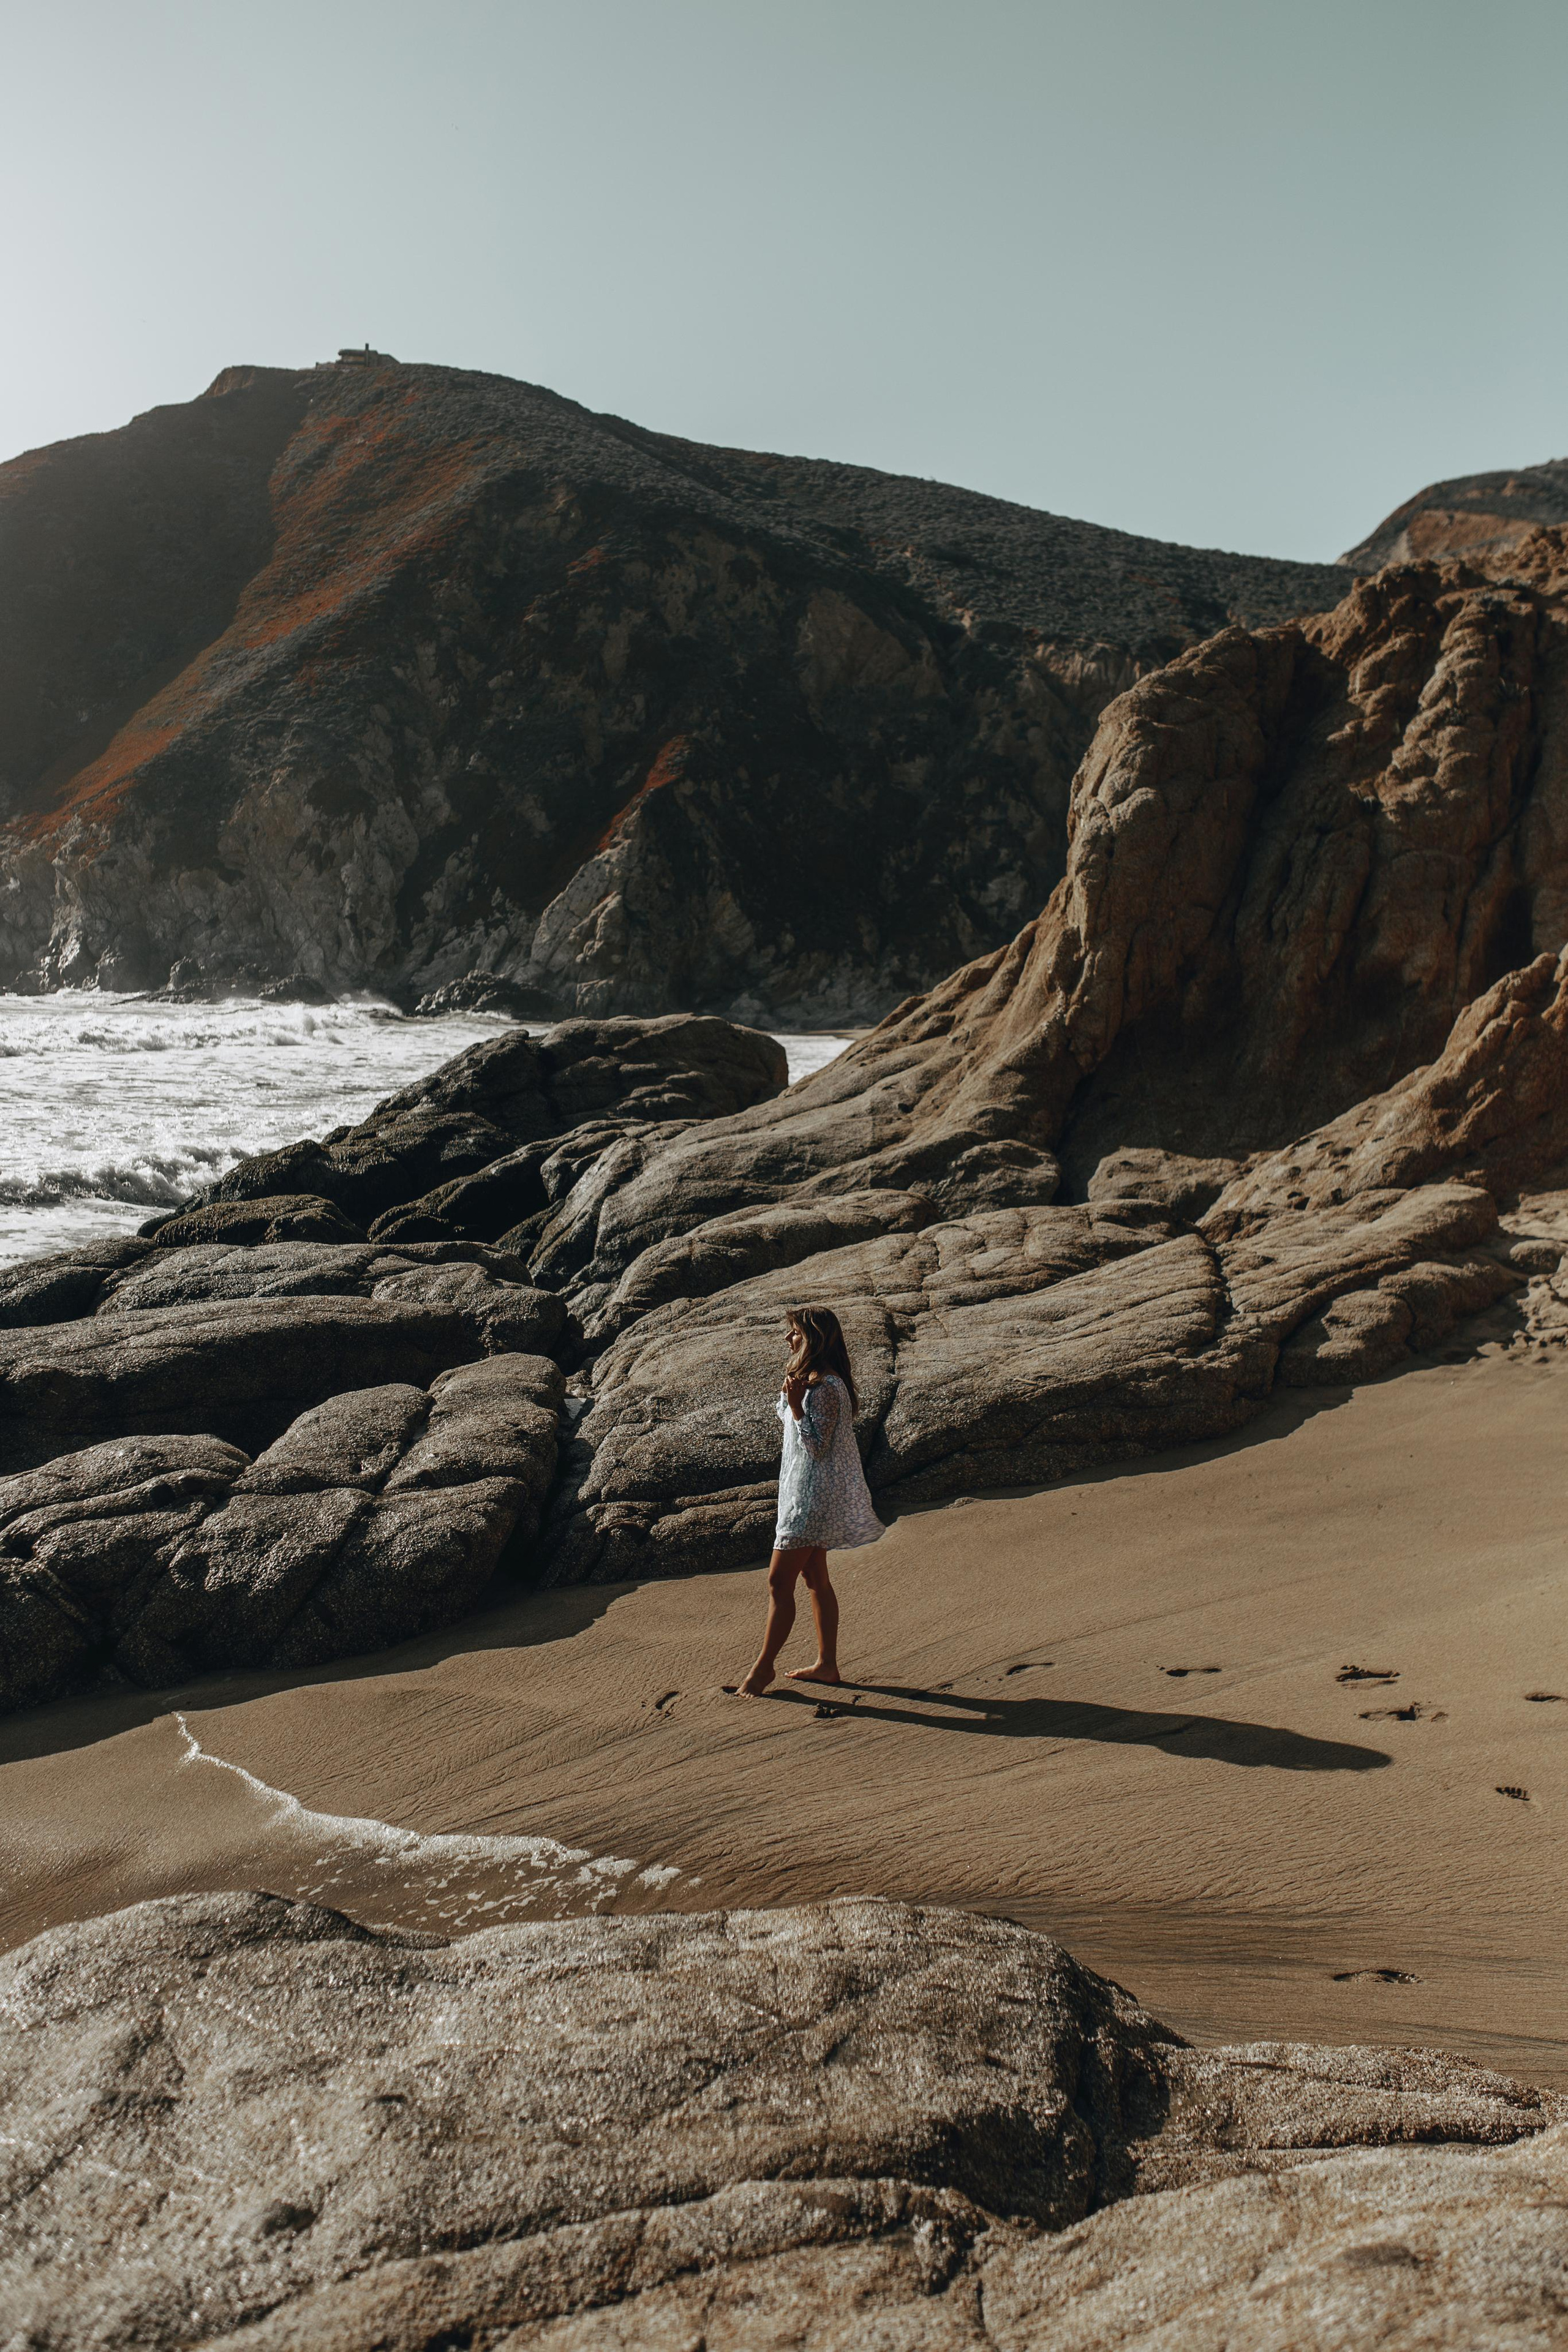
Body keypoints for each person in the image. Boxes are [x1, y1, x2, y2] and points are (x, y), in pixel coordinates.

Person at [737, 1305, 884, 1696]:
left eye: (795, 1333)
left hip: (811, 1497)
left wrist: (799, 1405)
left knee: (777, 1581)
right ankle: (827, 1665)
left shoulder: (829, 1388)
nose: (788, 1339)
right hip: (800, 1489)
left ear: (815, 1338)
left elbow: (818, 1447)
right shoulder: (810, 1380)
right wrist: (794, 1397)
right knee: (815, 1578)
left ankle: (762, 1670)